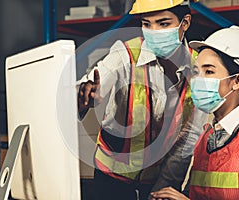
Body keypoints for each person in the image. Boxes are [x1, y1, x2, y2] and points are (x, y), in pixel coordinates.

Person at [77, 0, 207, 199]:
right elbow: (98, 79)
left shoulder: (199, 67)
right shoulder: (125, 53)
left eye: (163, 24)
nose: (153, 31)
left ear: (185, 23)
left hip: (155, 183)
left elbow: (188, 138)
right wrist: (84, 93)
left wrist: (163, 187)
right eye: (147, 24)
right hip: (110, 181)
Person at [150, 25, 239, 200]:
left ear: (236, 81)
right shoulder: (207, 135)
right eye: (196, 72)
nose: (198, 81)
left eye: (209, 71)